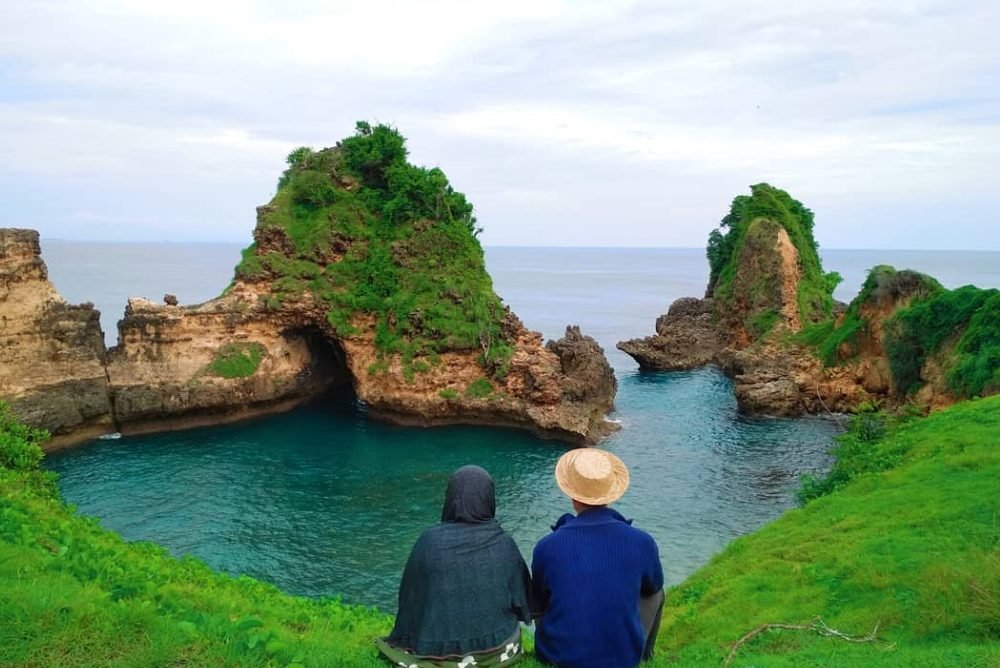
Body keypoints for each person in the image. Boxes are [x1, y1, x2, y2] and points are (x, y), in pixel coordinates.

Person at [377, 465, 533, 667]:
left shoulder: (429, 541)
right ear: (488, 499)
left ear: (451, 498)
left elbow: (410, 599)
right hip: (499, 650)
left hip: (435, 652)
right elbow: (523, 602)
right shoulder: (504, 542)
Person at [531, 448, 664, 668]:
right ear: (611, 495)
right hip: (622, 659)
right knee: (657, 591)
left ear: (573, 496)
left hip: (557, 657)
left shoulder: (547, 546)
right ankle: (644, 655)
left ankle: (556, 646)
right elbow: (653, 587)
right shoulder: (642, 541)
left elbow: (540, 598)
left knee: (545, 595)